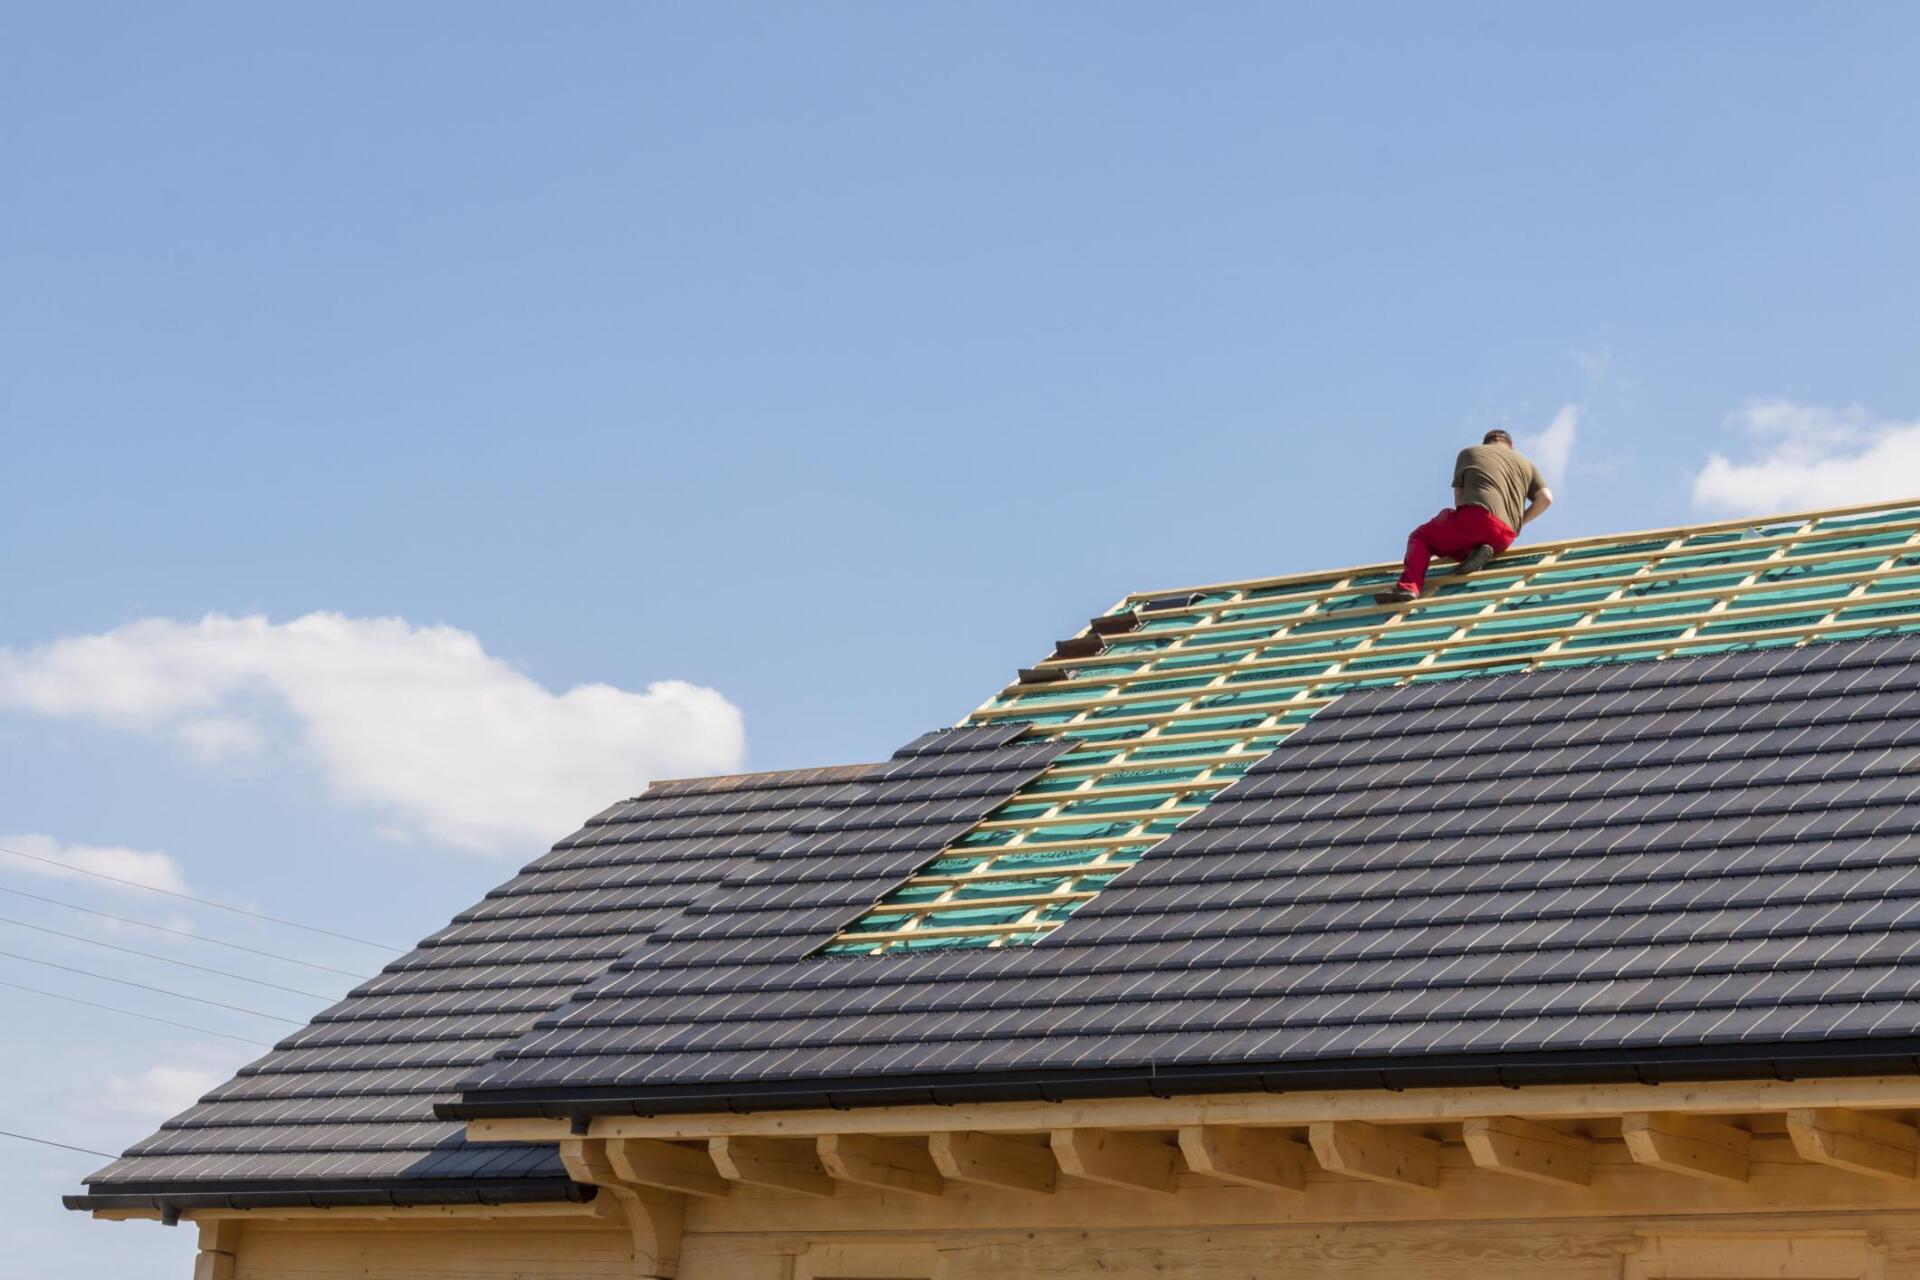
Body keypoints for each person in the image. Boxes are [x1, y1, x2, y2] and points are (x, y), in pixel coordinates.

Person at [1374, 430, 1553, 604]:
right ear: (1510, 446)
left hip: (1478, 519)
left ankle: (1408, 587)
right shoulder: (1526, 464)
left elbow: (1459, 501)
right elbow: (1546, 498)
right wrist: (1520, 523)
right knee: (1462, 535)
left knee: (1421, 537)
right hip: (1506, 536)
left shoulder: (1470, 452)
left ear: (1486, 443)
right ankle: (1475, 552)